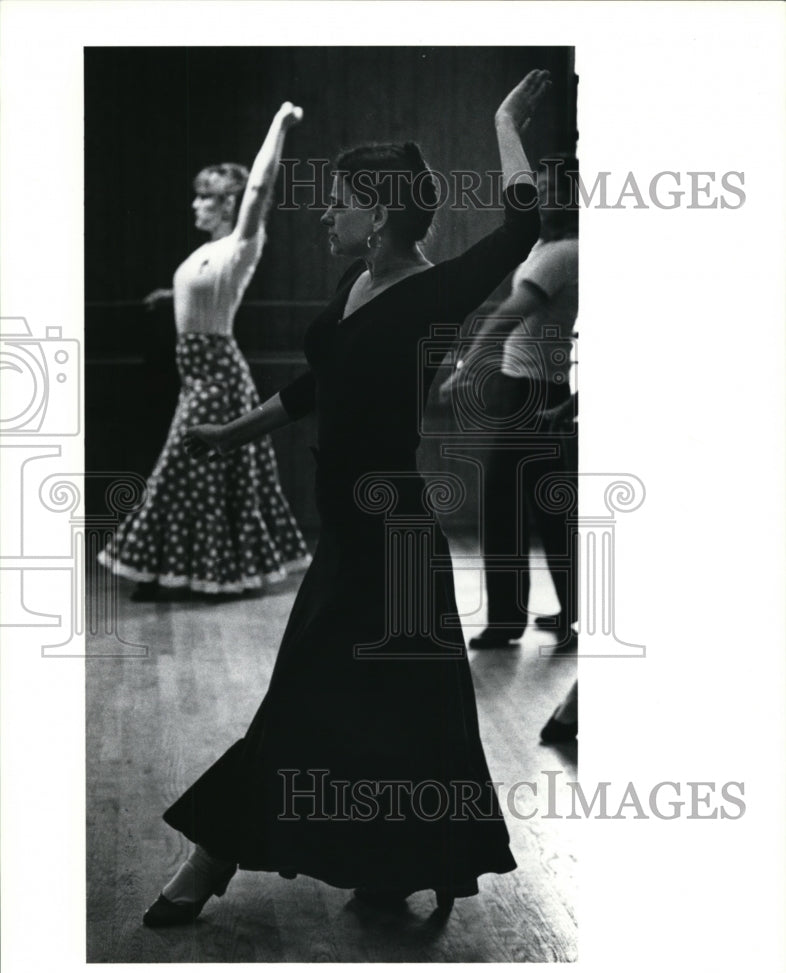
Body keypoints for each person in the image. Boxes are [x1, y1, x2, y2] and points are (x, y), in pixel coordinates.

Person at [141, 69, 551, 928]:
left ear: (381, 211)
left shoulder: (431, 288)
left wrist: (505, 118)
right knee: (379, 707)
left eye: (339, 203)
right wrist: (227, 436)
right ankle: (389, 859)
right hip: (351, 531)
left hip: (393, 538)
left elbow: (523, 224)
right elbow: (311, 386)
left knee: (328, 701)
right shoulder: (354, 288)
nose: (327, 215)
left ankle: (210, 857)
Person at [98, 102, 311, 599]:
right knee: (194, 469)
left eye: (204, 198)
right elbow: (202, 293)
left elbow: (260, 188)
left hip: (217, 375)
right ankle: (177, 571)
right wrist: (169, 297)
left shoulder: (242, 243)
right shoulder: (203, 254)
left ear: (228, 202)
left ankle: (193, 575)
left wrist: (279, 125)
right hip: (198, 374)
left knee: (186, 463)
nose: (194, 205)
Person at [441, 156, 579, 648]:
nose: (537, 197)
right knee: (547, 507)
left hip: (537, 391)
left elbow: (507, 315)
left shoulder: (563, 251)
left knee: (506, 502)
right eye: (534, 187)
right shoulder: (545, 246)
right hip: (530, 385)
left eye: (547, 189)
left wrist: (467, 366)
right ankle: (565, 616)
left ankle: (507, 621)